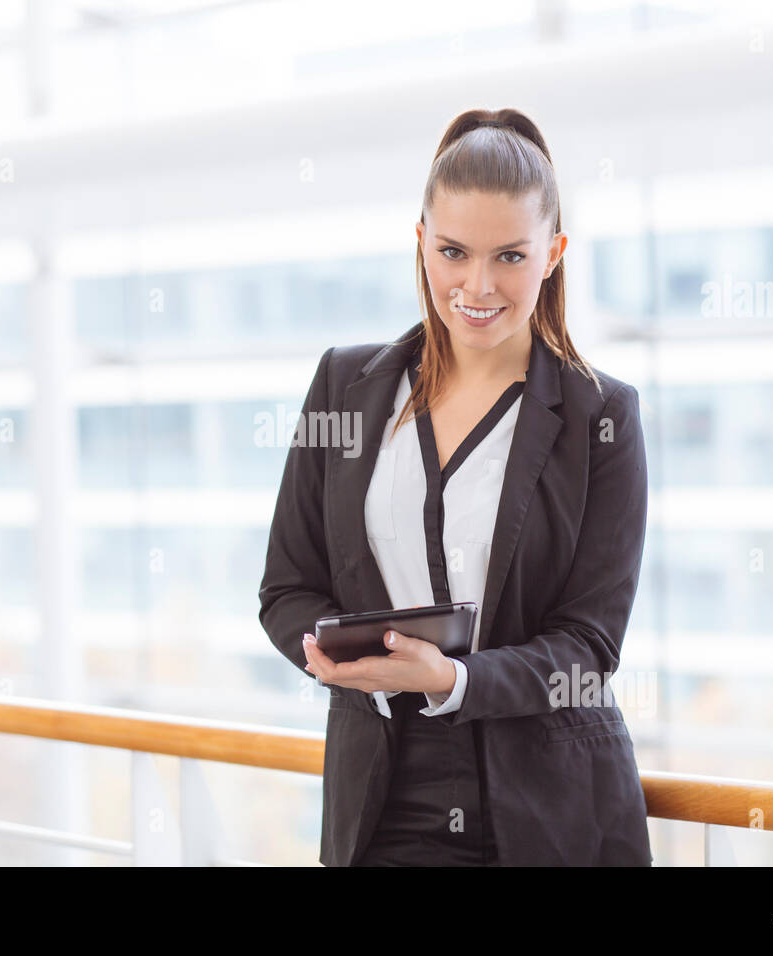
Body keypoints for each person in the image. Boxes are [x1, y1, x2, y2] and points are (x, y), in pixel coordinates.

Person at [259, 108, 653, 866]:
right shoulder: (345, 386)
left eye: (510, 256)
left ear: (553, 255)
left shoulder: (601, 415)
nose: (477, 285)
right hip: (383, 799)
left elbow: (590, 646)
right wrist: (342, 655)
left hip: (549, 809)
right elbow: (287, 589)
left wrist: (453, 678)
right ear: (421, 243)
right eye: (453, 252)